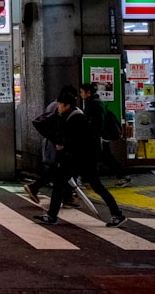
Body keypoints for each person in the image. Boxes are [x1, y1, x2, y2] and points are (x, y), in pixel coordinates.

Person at [33, 87, 127, 228]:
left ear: (67, 105)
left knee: (97, 187)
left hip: (84, 160)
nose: (57, 107)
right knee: (59, 185)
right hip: (73, 160)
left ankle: (117, 214)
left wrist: (63, 145)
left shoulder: (77, 118)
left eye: (59, 105)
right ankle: (51, 215)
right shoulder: (64, 116)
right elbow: (39, 122)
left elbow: (81, 141)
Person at [24, 99, 76, 207]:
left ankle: (67, 198)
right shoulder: (61, 110)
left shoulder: (52, 106)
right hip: (57, 146)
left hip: (53, 145)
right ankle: (64, 198)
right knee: (59, 171)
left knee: (58, 171)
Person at [79, 82, 130, 186]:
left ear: (88, 93)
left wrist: (96, 134)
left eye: (82, 92)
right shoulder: (93, 102)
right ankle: (121, 175)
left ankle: (89, 180)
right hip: (100, 136)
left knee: (101, 157)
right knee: (104, 157)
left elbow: (98, 122)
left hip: (100, 136)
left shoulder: (94, 104)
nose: (81, 94)